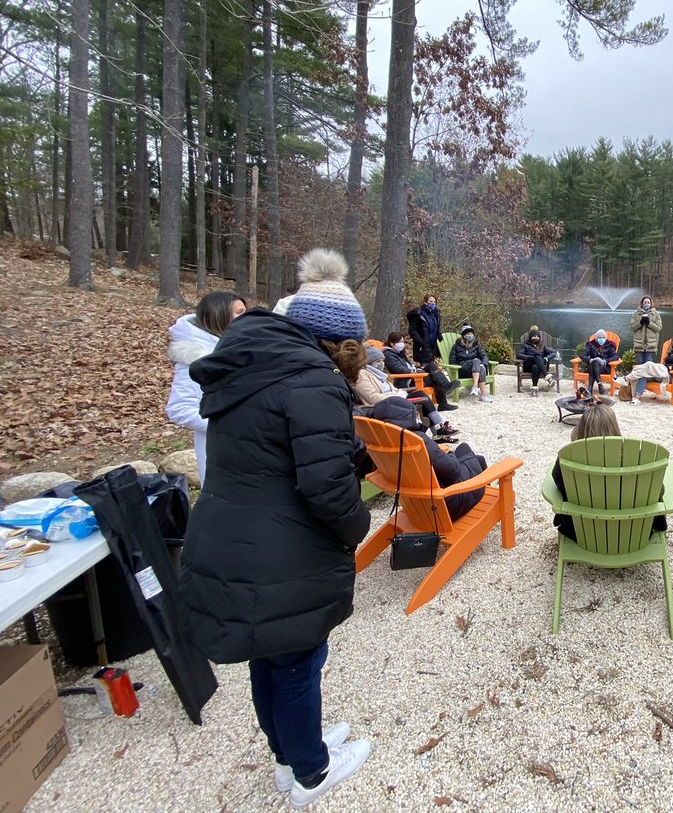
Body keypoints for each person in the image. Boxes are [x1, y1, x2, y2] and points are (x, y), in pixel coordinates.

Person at [180, 248, 372, 808]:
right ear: (334, 341)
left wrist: (346, 453)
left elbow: (277, 449)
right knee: (298, 660)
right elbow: (326, 491)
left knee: (272, 654)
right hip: (280, 546)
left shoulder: (252, 364)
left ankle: (289, 754)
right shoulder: (311, 378)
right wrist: (355, 525)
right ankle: (311, 772)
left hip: (230, 530)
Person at [549, 403, 667, 540]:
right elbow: (657, 490)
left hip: (583, 533)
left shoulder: (567, 460)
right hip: (634, 533)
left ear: (580, 429)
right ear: (614, 427)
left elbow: (558, 483)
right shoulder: (638, 460)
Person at [166, 291, 246, 485]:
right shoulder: (197, 357)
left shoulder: (236, 347)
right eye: (239, 312)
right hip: (219, 451)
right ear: (218, 317)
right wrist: (227, 424)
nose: (246, 317)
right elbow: (179, 409)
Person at [355, 346, 458, 441]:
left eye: (382, 361)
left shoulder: (379, 375)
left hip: (394, 400)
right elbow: (372, 398)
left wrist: (399, 392)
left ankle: (439, 428)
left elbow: (393, 389)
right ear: (368, 362)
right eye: (377, 361)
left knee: (421, 394)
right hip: (384, 405)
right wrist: (396, 395)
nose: (381, 363)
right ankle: (438, 430)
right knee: (421, 397)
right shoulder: (362, 376)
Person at [406, 294, 458, 412]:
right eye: (430, 301)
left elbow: (436, 327)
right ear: (425, 302)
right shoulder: (418, 314)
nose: (432, 303)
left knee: (434, 372)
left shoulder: (436, 313)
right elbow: (412, 330)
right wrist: (420, 341)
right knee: (432, 371)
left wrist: (439, 335)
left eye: (434, 301)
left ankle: (443, 402)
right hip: (422, 347)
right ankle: (443, 395)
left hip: (433, 345)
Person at [628, 296, 662, 402]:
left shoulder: (656, 314)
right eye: (644, 302)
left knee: (646, 369)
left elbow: (659, 327)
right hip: (639, 346)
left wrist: (649, 323)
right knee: (640, 369)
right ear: (641, 303)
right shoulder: (636, 314)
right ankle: (639, 391)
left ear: (651, 303)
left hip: (650, 346)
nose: (646, 303)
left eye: (648, 302)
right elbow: (632, 327)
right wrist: (641, 322)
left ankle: (638, 394)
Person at [449, 324, 492, 403]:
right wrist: (459, 367)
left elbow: (484, 356)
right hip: (463, 370)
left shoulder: (477, 345)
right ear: (463, 335)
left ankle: (482, 395)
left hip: (476, 370)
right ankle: (476, 386)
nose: (470, 335)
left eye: (472, 334)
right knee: (476, 360)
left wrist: (484, 364)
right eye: (468, 334)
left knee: (481, 367)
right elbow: (452, 362)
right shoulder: (456, 347)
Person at [515, 327, 558, 397]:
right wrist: (530, 357)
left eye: (538, 336)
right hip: (528, 366)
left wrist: (547, 358)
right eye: (534, 336)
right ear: (530, 337)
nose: (536, 338)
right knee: (536, 357)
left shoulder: (542, 345)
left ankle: (534, 388)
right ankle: (548, 377)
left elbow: (553, 353)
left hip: (540, 367)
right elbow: (518, 355)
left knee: (535, 366)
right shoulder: (525, 345)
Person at [580, 329, 619, 394]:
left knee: (594, 365)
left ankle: (590, 389)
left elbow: (616, 357)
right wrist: (590, 360)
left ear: (605, 338)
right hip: (592, 366)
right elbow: (582, 355)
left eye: (603, 337)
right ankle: (600, 384)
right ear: (596, 338)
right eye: (600, 337)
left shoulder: (609, 345)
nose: (601, 339)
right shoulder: (591, 345)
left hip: (605, 368)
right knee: (595, 363)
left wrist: (605, 361)